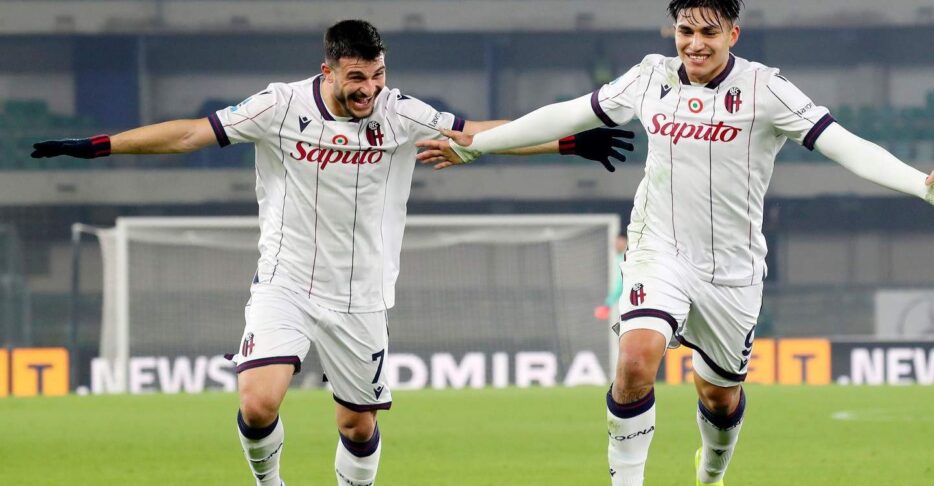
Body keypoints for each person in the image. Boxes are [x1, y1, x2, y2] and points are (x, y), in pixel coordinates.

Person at [30, 19, 633, 486]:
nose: (369, 89)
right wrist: (98, 146)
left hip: (361, 297)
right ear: (328, 70)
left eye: (377, 76)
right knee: (259, 401)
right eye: (356, 78)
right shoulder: (279, 107)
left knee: (357, 424)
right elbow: (190, 132)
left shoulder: (400, 114)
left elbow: (478, 135)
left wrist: (569, 140)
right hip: (284, 283)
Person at [414, 1, 934, 484]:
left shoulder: (767, 88)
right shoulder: (649, 76)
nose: (695, 44)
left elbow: (843, 144)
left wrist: (919, 185)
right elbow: (565, 114)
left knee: (719, 399)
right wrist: (479, 146)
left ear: (733, 34)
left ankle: (710, 469)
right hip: (659, 249)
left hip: (733, 271)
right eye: (686, 31)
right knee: (636, 359)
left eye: (709, 32)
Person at [595, 234, 628, 321]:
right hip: (622, 302)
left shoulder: (626, 259)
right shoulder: (618, 258)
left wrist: (608, 304)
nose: (615, 244)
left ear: (626, 242)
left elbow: (621, 284)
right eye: (615, 242)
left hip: (629, 303)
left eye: (618, 241)